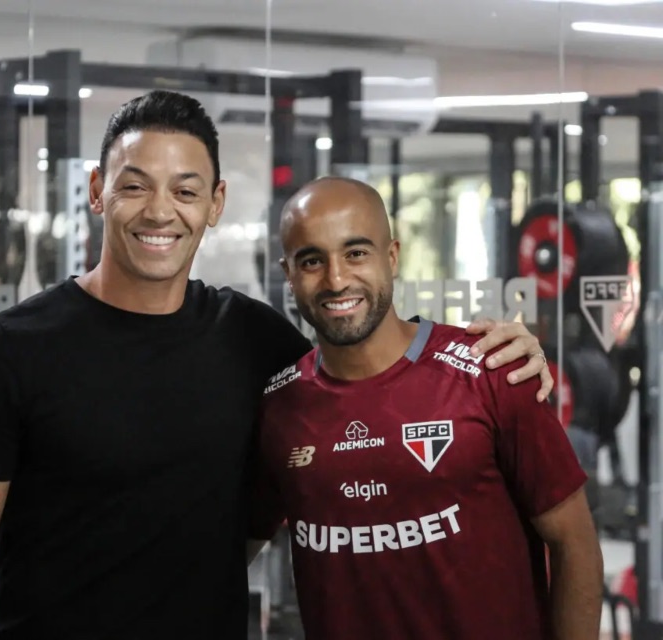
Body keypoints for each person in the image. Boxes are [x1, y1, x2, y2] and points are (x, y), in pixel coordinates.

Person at [0, 90, 553, 640]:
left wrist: (496, 353)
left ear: (215, 203)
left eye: (185, 190)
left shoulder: (253, 339)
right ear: (96, 192)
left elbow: (369, 361)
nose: (159, 211)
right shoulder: (5, 353)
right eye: (134, 185)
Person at [248, 177, 604, 640]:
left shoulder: (491, 371)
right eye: (312, 260)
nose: (336, 279)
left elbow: (575, 543)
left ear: (392, 256)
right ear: (289, 273)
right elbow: (228, 550)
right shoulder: (278, 406)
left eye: (356, 253)